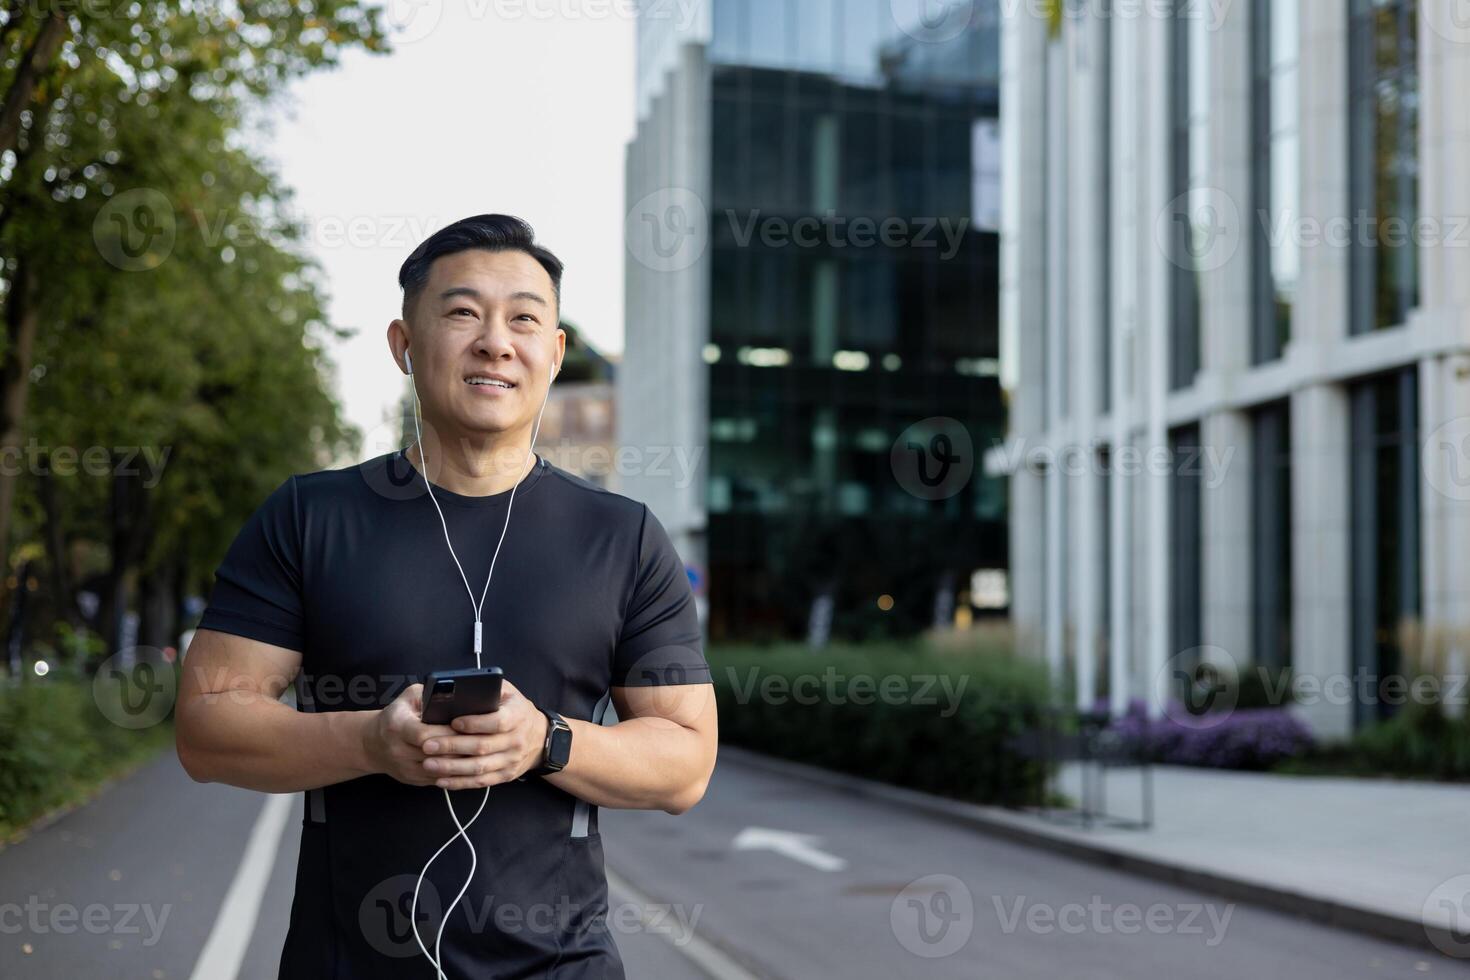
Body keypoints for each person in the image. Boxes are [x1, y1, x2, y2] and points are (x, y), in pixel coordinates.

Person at [175, 214, 718, 979]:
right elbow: (204, 727)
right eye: (463, 312)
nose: (497, 341)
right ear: (403, 343)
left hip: (561, 967)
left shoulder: (621, 537)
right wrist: (368, 742)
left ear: (554, 353)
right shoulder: (309, 517)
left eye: (525, 319)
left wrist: (545, 742)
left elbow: (686, 761)